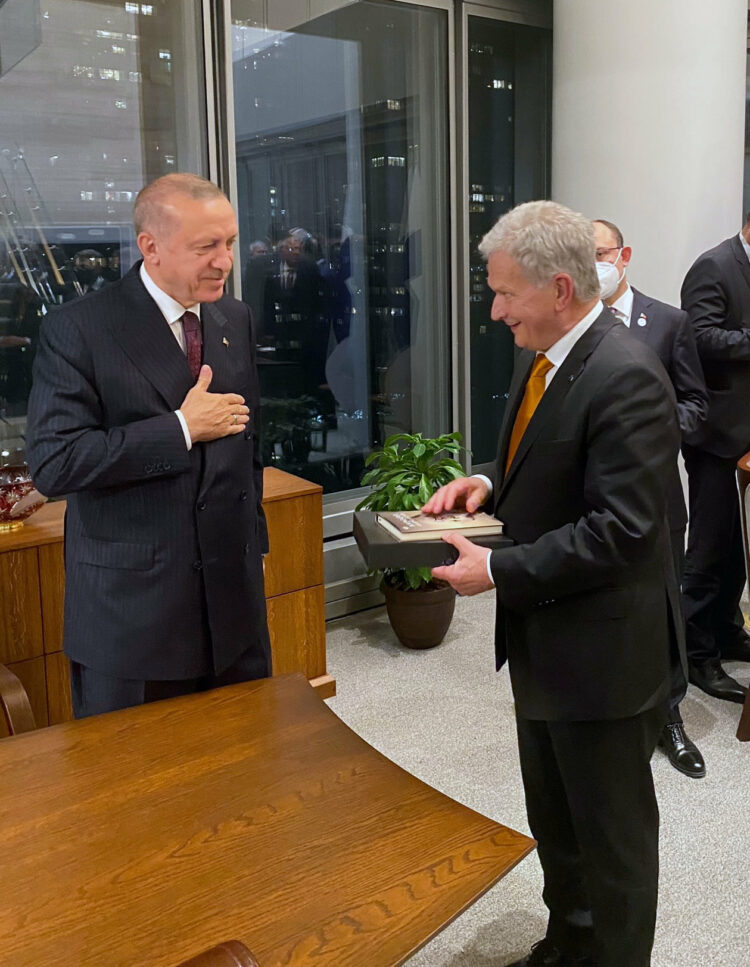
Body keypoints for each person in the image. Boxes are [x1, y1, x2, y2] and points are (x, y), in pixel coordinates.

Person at [423, 201, 680, 967]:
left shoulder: (627, 374)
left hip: (605, 658)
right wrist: (487, 483)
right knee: (559, 825)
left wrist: (496, 567)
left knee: (614, 845)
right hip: (548, 642)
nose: (496, 310)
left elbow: (623, 529)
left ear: (560, 287)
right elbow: (551, 460)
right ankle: (567, 946)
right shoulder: (549, 356)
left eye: (505, 293)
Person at [26, 173, 271, 718]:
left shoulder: (234, 317)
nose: (224, 261)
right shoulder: (80, 329)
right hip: (134, 619)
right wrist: (180, 429)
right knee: (138, 792)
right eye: (206, 246)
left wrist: (251, 544)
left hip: (234, 608)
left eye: (229, 242)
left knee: (246, 776)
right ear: (151, 247)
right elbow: (54, 462)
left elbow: (246, 440)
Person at [592, 218, 708, 779]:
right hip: (589, 502)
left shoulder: (668, 322)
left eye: (600, 253)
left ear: (624, 254)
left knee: (663, 607)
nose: (594, 264)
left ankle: (670, 717)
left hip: (655, 495)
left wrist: (651, 433)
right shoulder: (573, 327)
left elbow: (695, 403)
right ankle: (613, 717)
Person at [679, 218, 750, 705]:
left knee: (741, 551)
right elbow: (697, 337)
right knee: (707, 551)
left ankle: (727, 630)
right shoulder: (714, 265)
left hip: (748, 441)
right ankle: (697, 654)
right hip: (718, 436)